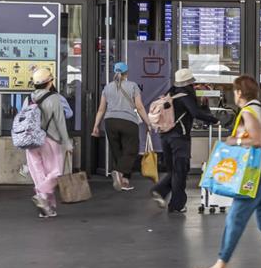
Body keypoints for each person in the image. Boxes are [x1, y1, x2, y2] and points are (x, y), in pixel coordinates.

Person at [193, 75, 261, 268]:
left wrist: (234, 140)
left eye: (234, 91)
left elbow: (258, 140)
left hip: (259, 175)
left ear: (239, 93)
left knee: (235, 218)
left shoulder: (248, 111)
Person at [151, 68, 218, 214]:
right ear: (189, 83)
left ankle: (162, 192)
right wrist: (215, 120)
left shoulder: (170, 93)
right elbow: (196, 113)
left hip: (165, 136)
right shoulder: (185, 95)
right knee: (180, 171)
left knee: (174, 170)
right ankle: (175, 204)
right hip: (179, 139)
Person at [91, 61, 148, 191]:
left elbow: (101, 109)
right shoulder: (133, 86)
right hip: (128, 121)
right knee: (131, 150)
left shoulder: (107, 87)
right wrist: (148, 122)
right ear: (126, 73)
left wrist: (96, 125)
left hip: (110, 121)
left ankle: (124, 181)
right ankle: (118, 171)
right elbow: (139, 106)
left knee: (118, 151)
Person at [25, 67, 73, 219]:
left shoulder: (29, 98)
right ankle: (42, 194)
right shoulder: (55, 98)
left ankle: (47, 208)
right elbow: (60, 122)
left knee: (39, 173)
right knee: (56, 172)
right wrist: (67, 143)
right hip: (51, 140)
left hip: (31, 141)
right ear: (50, 82)